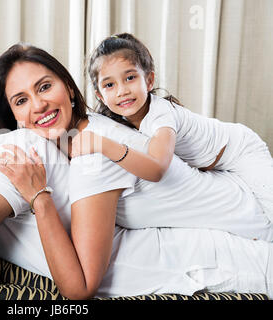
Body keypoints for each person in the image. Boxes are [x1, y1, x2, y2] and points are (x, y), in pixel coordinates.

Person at [0, 43, 273, 299]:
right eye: (21, 100)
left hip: (254, 229)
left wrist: (39, 197)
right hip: (238, 218)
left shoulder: (94, 155)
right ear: (14, 116)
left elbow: (80, 288)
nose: (38, 105)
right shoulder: (87, 133)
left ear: (70, 88)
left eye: (45, 86)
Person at [78, 32, 273, 220]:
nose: (122, 91)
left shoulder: (161, 115)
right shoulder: (113, 120)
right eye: (109, 85)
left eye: (130, 78)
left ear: (149, 80)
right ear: (100, 95)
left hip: (240, 150)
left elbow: (156, 170)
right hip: (213, 165)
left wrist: (101, 145)